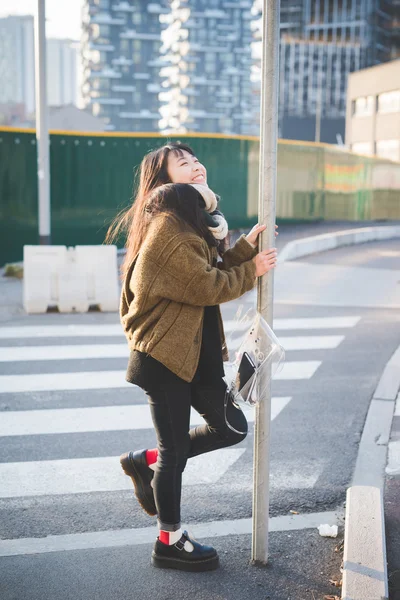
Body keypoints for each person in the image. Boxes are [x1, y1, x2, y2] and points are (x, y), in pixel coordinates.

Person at [106, 142, 277, 572]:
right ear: (165, 182)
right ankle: (170, 540)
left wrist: (243, 250)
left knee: (231, 428)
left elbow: (210, 271)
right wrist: (251, 271)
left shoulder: (193, 223)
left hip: (196, 355)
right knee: (175, 454)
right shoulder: (166, 226)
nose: (196, 165)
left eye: (196, 159)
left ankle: (145, 461)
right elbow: (206, 286)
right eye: (183, 164)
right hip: (163, 358)